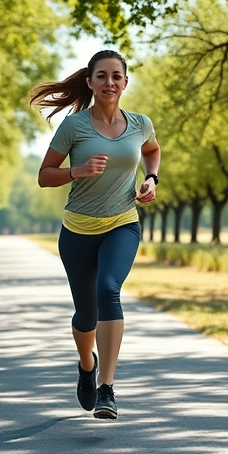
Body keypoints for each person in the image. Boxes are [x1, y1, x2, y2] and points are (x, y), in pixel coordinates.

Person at [33, 50, 160, 420]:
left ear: (125, 81)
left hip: (123, 223)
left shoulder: (140, 123)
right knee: (85, 315)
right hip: (78, 230)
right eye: (101, 76)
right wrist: (78, 171)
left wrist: (151, 179)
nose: (110, 83)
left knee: (109, 290)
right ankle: (86, 364)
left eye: (116, 76)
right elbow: (44, 175)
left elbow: (152, 151)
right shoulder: (75, 127)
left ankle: (106, 388)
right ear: (89, 82)